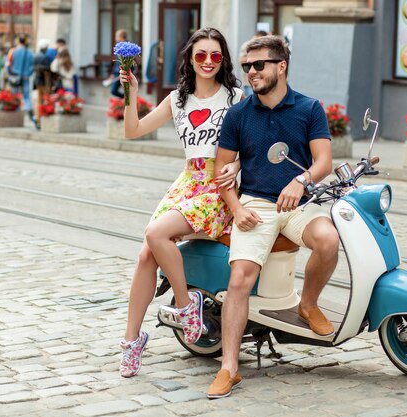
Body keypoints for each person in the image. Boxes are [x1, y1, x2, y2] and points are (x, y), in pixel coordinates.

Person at [209, 35, 339, 399]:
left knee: (329, 240)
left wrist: (301, 181)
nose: (251, 72)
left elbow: (323, 161)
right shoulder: (238, 114)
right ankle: (229, 368)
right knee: (239, 280)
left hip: (299, 202)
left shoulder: (309, 108)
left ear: (281, 66)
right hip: (257, 203)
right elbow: (221, 172)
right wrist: (236, 208)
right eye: (247, 66)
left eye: (259, 65)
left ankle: (307, 304)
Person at [118, 27, 244, 378]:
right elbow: (133, 131)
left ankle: (187, 307)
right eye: (200, 55)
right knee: (147, 251)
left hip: (218, 186)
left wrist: (236, 164)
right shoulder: (178, 99)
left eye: (215, 56)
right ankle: (131, 341)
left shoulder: (235, 96)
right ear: (190, 58)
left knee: (155, 234)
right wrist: (132, 94)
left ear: (223, 60)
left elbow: (251, 142)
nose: (207, 62)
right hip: (188, 181)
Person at [9, 36, 35, 124]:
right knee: (26, 95)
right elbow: (33, 65)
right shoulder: (29, 52)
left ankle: (15, 110)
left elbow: (8, 63)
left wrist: (12, 72)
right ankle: (29, 111)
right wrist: (29, 73)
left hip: (15, 76)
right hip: (26, 76)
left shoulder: (14, 51)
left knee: (15, 94)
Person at [238, 31, 267, 97]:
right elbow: (241, 61)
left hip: (263, 82)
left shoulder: (266, 49)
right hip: (248, 83)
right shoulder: (246, 46)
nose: (254, 43)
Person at [33, 39, 53, 129]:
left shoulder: (36, 56)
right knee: (46, 100)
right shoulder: (46, 57)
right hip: (45, 82)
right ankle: (44, 119)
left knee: (39, 101)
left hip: (38, 81)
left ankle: (38, 119)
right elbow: (48, 71)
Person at [109, 29, 127, 98]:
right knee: (114, 90)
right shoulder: (119, 46)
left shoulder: (126, 47)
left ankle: (125, 100)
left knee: (114, 90)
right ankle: (124, 100)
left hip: (122, 73)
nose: (115, 38)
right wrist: (113, 73)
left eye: (116, 36)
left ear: (121, 36)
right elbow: (117, 62)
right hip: (117, 72)